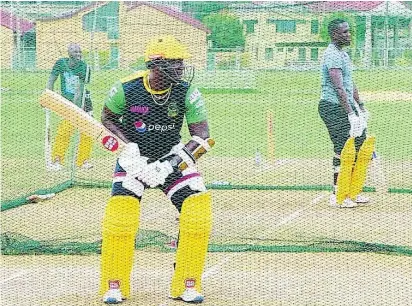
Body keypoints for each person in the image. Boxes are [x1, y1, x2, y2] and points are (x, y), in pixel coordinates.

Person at [99, 35, 213, 304]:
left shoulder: (187, 92)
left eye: (181, 63)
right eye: (175, 64)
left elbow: (203, 138)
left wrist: (171, 165)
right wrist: (127, 150)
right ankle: (114, 284)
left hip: (170, 158)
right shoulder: (126, 88)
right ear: (156, 65)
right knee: (121, 215)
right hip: (133, 159)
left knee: (197, 208)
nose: (181, 69)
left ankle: (187, 282)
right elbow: (106, 120)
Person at [318, 19, 374, 208]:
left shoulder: (343, 55)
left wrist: (361, 107)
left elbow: (350, 85)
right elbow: (339, 88)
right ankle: (337, 194)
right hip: (332, 107)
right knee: (343, 148)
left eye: (348, 32)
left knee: (359, 145)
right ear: (334, 34)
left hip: (347, 106)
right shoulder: (332, 55)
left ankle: (352, 191)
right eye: (344, 32)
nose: (348, 35)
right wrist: (351, 114)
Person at [46, 43, 93, 171]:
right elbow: (51, 80)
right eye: (75, 51)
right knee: (64, 131)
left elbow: (80, 89)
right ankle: (57, 160)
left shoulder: (85, 67)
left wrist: (76, 107)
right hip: (68, 102)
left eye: (79, 51)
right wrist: (48, 95)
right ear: (69, 53)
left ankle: (83, 161)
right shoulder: (61, 63)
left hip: (83, 102)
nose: (78, 54)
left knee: (87, 131)